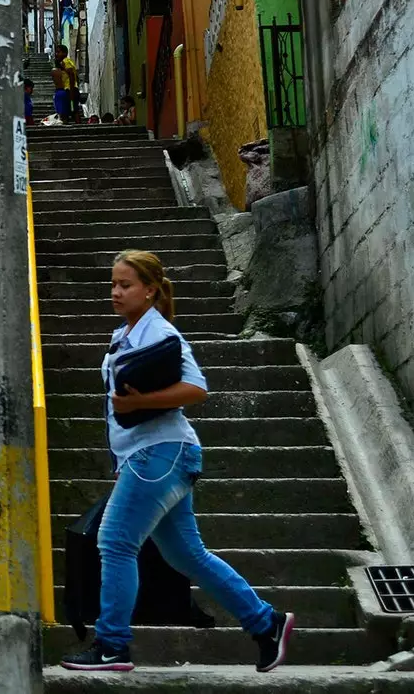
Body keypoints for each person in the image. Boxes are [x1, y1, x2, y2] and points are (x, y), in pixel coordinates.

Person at [60, 250, 294, 673]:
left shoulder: (161, 333)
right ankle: (266, 623)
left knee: (114, 541)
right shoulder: (126, 335)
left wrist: (142, 402)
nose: (115, 292)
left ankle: (112, 645)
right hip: (149, 455)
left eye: (125, 285)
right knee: (188, 556)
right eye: (113, 284)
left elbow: (196, 389)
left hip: (162, 453)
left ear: (149, 290)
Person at [52, 45, 78, 122]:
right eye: (56, 52)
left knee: (74, 109)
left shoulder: (65, 61)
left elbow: (71, 75)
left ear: (65, 53)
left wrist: (71, 90)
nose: (56, 54)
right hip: (71, 89)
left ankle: (78, 124)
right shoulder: (69, 61)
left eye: (58, 52)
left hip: (70, 89)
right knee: (73, 109)